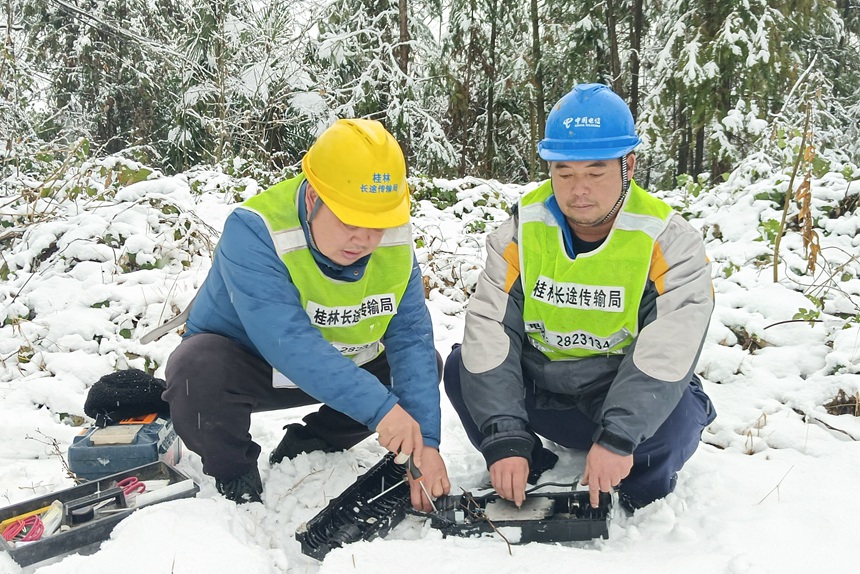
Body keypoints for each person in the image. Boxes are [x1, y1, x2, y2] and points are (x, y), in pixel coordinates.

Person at [443, 83, 716, 512]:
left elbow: (669, 347)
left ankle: (631, 486)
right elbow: (491, 331)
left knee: (676, 420)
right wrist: (504, 435)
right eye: (564, 172)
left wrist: (620, 436)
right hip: (544, 388)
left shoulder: (669, 241)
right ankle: (525, 459)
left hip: (616, 391)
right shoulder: (519, 232)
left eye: (595, 172)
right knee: (463, 367)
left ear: (629, 165)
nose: (578, 190)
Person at [160, 119, 450, 508]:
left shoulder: (392, 235)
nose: (364, 239)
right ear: (313, 198)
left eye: (377, 224)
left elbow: (410, 335)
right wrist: (383, 411)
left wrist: (426, 442)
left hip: (342, 360)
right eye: (349, 220)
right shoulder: (254, 230)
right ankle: (233, 470)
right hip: (257, 366)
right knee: (194, 369)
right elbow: (288, 342)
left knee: (425, 363)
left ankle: (316, 441)